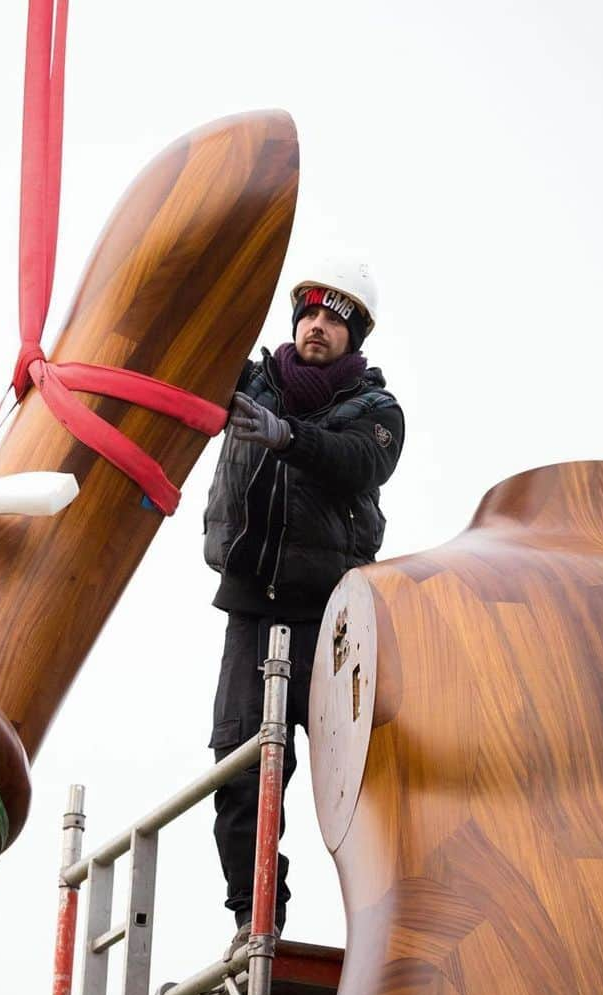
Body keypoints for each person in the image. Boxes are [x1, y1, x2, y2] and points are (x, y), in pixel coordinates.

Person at [202, 258, 404, 947]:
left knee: (363, 781)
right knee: (240, 768)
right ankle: (254, 918)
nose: (318, 327)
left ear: (355, 338)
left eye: (333, 320)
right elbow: (187, 364)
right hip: (251, 612)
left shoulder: (376, 412)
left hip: (334, 619)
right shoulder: (249, 384)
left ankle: (384, 932)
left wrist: (288, 436)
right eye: (309, 315)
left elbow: (359, 461)